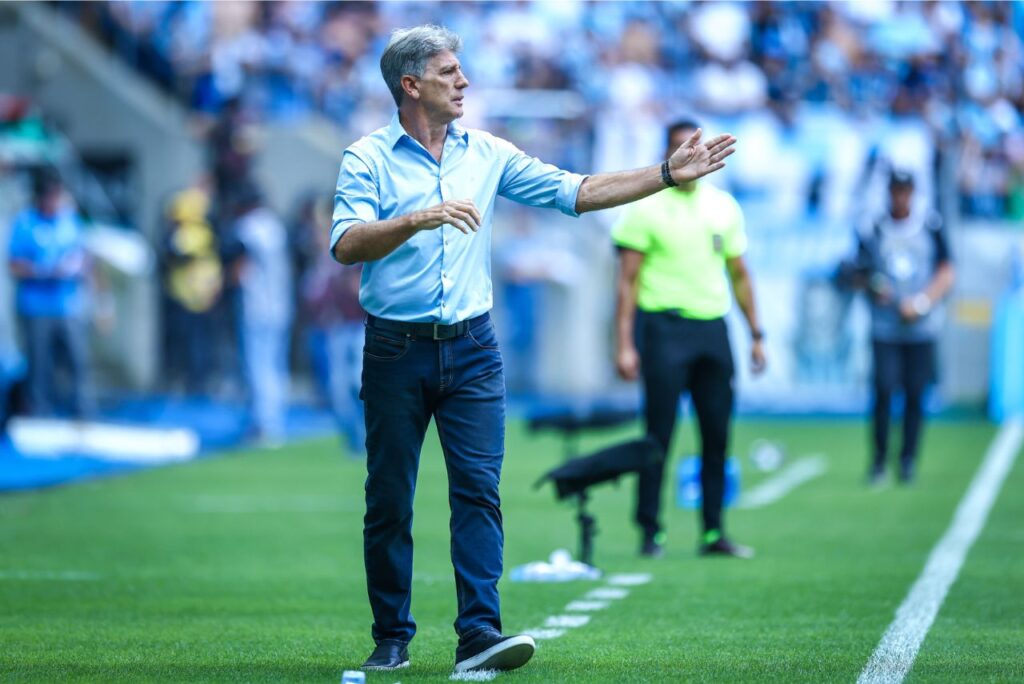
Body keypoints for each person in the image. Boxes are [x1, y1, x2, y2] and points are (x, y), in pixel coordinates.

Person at [331, 26, 735, 674]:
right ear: (410, 86)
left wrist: (664, 174)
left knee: (479, 491)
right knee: (388, 500)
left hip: (472, 350)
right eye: (448, 72)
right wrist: (415, 218)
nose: (463, 82)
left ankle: (478, 638)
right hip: (394, 351)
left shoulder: (486, 153)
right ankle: (392, 637)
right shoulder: (366, 159)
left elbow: (574, 191)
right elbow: (347, 243)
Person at [612, 119, 765, 560]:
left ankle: (714, 531)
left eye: (694, 146)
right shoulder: (644, 207)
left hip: (712, 330)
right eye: (680, 147)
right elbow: (627, 282)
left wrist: (756, 334)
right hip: (663, 329)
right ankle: (649, 531)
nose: (689, 153)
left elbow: (740, 275)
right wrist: (624, 342)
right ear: (668, 152)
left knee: (716, 434)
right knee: (658, 435)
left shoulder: (724, 207)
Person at [846, 170, 954, 485]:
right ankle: (879, 460)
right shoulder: (875, 228)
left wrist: (922, 302)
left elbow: (946, 271)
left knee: (915, 394)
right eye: (896, 191)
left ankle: (908, 460)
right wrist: (875, 288)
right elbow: (859, 272)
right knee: (882, 390)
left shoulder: (930, 225)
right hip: (885, 327)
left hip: (921, 327)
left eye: (906, 191)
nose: (901, 197)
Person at [7, 170, 92, 418]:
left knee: (78, 361)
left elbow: (85, 257)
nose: (54, 202)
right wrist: (43, 271)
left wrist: (78, 270)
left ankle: (82, 411)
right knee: (39, 364)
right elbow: (14, 264)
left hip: (68, 305)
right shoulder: (24, 222)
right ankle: (38, 412)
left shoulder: (69, 221)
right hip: (36, 306)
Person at [299, 196, 365, 457]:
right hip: (336, 328)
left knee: (357, 382)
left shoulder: (351, 250)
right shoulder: (322, 263)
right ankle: (354, 438)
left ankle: (368, 435)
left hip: (360, 325)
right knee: (337, 388)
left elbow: (357, 289)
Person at [229, 183, 293, 446]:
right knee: (275, 366)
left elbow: (239, 264)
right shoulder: (275, 226)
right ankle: (274, 421)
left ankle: (263, 425)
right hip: (280, 304)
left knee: (257, 367)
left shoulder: (248, 226)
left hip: (256, 306)